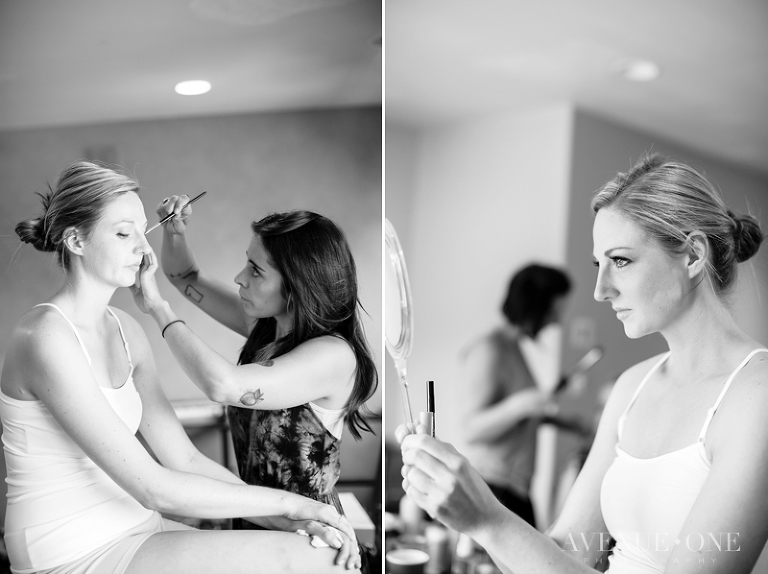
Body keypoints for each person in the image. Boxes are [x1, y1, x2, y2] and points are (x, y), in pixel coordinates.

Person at [398, 154, 768, 573]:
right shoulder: (631, 387)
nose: (600, 290)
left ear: (693, 255)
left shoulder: (757, 398)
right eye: (599, 264)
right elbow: (567, 552)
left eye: (621, 261)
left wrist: (490, 520)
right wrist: (470, 512)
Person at [3, 161, 360, 574]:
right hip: (74, 547)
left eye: (143, 231)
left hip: (134, 526)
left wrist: (291, 518)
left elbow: (185, 460)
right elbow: (155, 487)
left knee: (324, 557)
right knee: (315, 561)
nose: (143, 247)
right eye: (124, 233)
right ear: (75, 241)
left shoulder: (128, 331)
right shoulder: (45, 336)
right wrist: (293, 507)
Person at [133, 196, 378, 563]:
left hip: (309, 533)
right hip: (252, 514)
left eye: (255, 269)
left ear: (297, 285)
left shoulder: (334, 355)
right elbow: (185, 278)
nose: (239, 278)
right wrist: (175, 233)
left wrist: (156, 308)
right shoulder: (267, 329)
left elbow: (224, 384)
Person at [458, 264, 571, 526]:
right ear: (538, 304)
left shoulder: (514, 349)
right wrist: (521, 405)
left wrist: (567, 423)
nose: (558, 318)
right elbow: (470, 429)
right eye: (556, 308)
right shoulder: (490, 350)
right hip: (493, 488)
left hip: (516, 488)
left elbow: (517, 421)